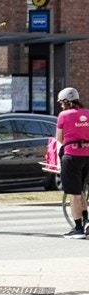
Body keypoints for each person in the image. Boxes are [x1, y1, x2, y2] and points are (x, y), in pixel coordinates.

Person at [56, 87, 89, 238]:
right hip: (87, 156)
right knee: (81, 190)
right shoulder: (88, 113)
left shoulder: (64, 115)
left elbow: (59, 139)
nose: (61, 105)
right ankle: (86, 221)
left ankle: (78, 229)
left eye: (61, 103)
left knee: (74, 194)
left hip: (72, 156)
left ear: (66, 101)